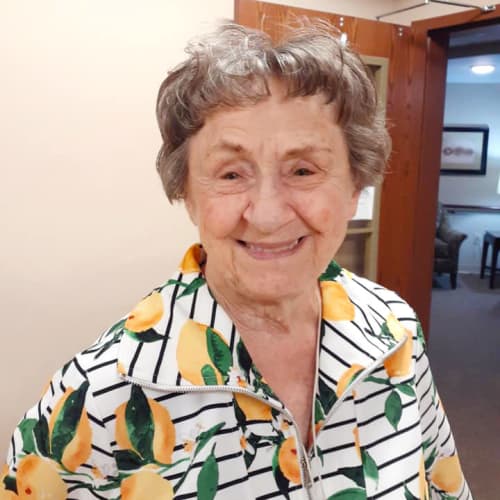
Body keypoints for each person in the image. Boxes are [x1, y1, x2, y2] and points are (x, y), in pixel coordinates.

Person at [1, 20, 471, 500]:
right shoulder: (97, 394)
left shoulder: (394, 331)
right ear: (187, 194)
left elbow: (445, 486)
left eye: (303, 169)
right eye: (230, 174)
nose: (266, 215)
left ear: (355, 186)